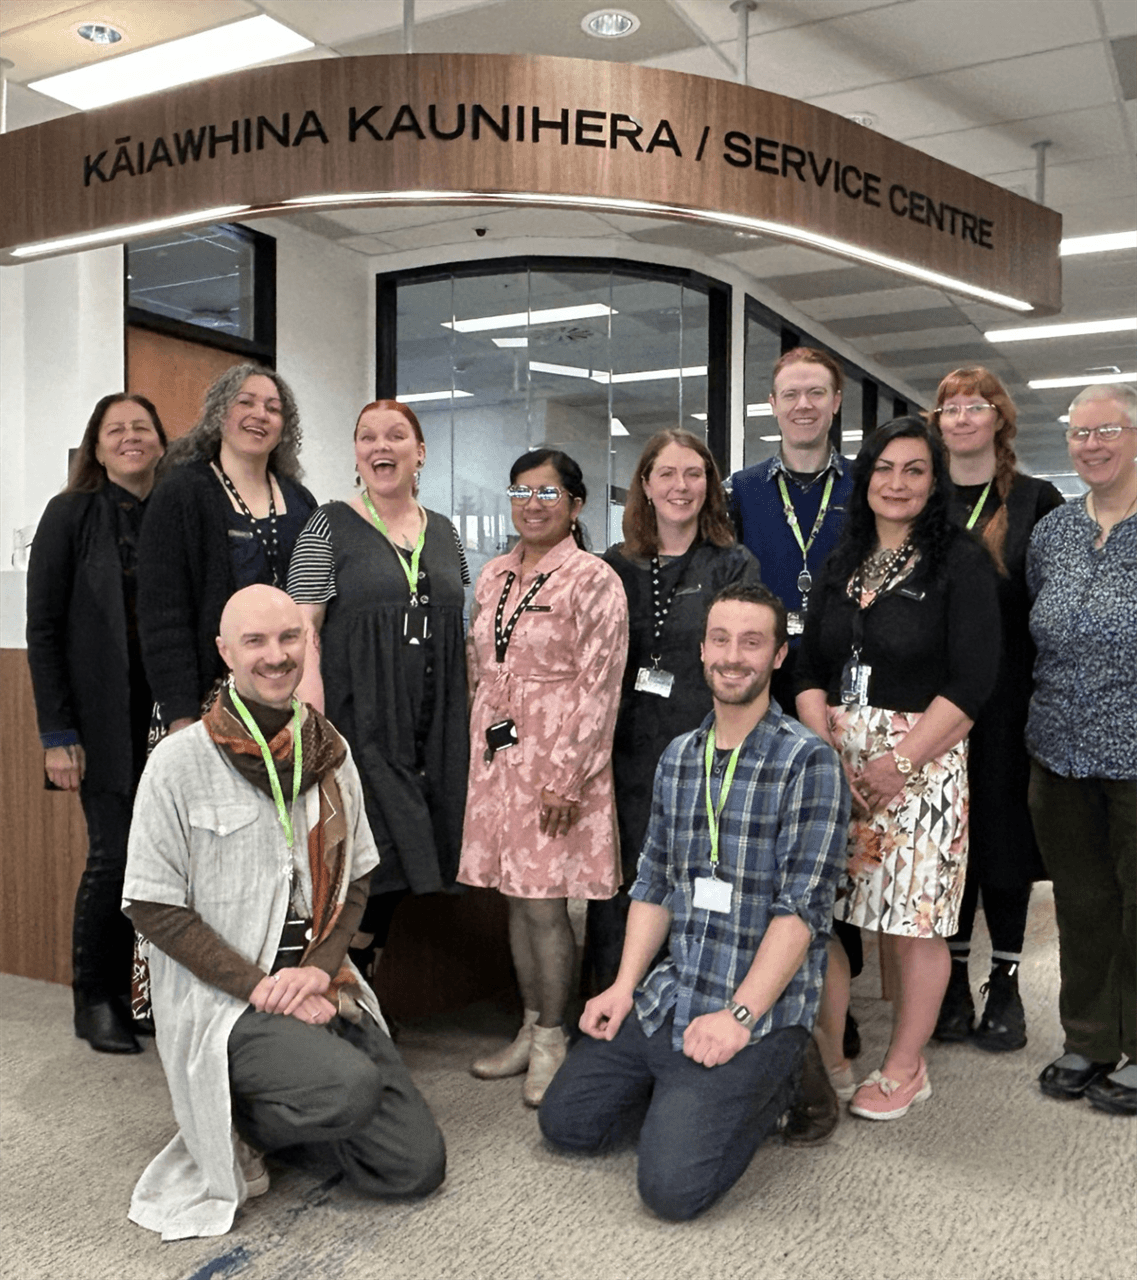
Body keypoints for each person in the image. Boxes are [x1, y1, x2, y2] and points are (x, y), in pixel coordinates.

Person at [121, 585, 445, 1240]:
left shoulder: (331, 752)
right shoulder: (178, 763)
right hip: (228, 999)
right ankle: (237, 1115)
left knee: (414, 1165)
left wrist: (320, 971)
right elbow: (152, 904)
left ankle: (262, 1115)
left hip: (320, 984)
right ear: (225, 653)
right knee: (348, 1088)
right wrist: (262, 986)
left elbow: (357, 877)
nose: (275, 656)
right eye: (255, 642)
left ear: (309, 643)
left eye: (289, 637)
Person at [539, 585, 849, 1221]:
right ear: (703, 649)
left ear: (778, 656)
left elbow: (803, 913)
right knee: (565, 1124)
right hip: (674, 991)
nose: (733, 656)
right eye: (721, 640)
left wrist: (738, 1017)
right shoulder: (679, 757)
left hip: (755, 1004)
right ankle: (685, 1089)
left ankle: (787, 1076)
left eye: (752, 642)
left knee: (672, 1189)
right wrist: (624, 987)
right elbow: (654, 882)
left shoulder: (808, 763)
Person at [796, 417, 1000, 1120]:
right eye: (884, 468)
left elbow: (973, 681)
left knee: (914, 923)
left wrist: (899, 762)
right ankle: (831, 1055)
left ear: (934, 481)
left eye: (914, 470)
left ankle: (907, 1067)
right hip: (836, 762)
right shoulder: (841, 559)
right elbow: (805, 661)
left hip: (922, 765)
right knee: (821, 916)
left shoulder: (961, 563)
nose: (897, 483)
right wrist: (817, 733)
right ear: (865, 478)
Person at [459, 448, 628, 1106]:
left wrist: (567, 777)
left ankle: (555, 1035)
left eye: (548, 492)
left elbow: (599, 687)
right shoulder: (493, 576)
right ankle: (530, 1028)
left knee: (544, 903)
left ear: (575, 506)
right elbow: (484, 668)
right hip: (499, 758)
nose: (533, 503)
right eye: (522, 490)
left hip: (558, 763)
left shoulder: (591, 580)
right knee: (513, 895)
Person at [287, 401, 470, 978]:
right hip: (360, 714)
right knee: (377, 849)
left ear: (420, 454)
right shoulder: (327, 523)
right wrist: (311, 716)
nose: (380, 446)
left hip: (436, 716)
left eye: (396, 436)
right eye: (367, 437)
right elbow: (301, 627)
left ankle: (360, 977)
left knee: (425, 842)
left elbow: (458, 625)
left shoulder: (445, 532)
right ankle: (350, 971)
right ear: (357, 455)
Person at [588, 429, 760, 990]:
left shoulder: (732, 564)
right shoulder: (613, 565)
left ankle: (692, 1003)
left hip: (702, 746)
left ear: (709, 485)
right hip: (625, 750)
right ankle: (610, 1010)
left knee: (697, 878)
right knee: (626, 879)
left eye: (694, 474)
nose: (680, 486)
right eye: (666, 473)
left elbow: (744, 662)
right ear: (645, 484)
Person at [26, 393, 167, 1055]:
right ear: (96, 445)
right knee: (112, 856)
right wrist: (57, 734)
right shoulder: (70, 514)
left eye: (142, 427)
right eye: (117, 429)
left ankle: (142, 995)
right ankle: (94, 998)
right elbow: (44, 630)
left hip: (169, 717)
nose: (131, 438)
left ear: (161, 442)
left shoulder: (171, 511)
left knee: (161, 861)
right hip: (101, 721)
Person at [928, 367, 1063, 1052]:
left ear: (998, 419)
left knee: (1003, 848)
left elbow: (1057, 610)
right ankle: (949, 979)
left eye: (974, 405)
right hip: (936, 703)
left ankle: (1004, 981)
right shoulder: (922, 499)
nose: (960, 417)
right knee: (946, 845)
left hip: (1009, 704)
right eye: (949, 406)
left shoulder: (1038, 501)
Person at [1027, 384, 1136, 1116]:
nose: (1089, 444)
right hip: (1057, 751)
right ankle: (1089, 1037)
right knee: (1082, 901)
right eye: (1077, 432)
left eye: (1106, 430)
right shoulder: (1054, 533)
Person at [137, 363, 316, 731]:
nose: (259, 415)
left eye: (273, 408)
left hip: (286, 698)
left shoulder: (300, 502)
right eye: (245, 402)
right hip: (203, 702)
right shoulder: (181, 494)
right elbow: (164, 614)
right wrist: (180, 714)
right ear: (219, 414)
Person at [727, 347, 852, 713]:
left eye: (817, 393)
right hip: (764, 673)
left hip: (844, 672)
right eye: (791, 395)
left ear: (836, 402)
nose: (804, 405)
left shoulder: (870, 486)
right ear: (773, 404)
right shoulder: (738, 491)